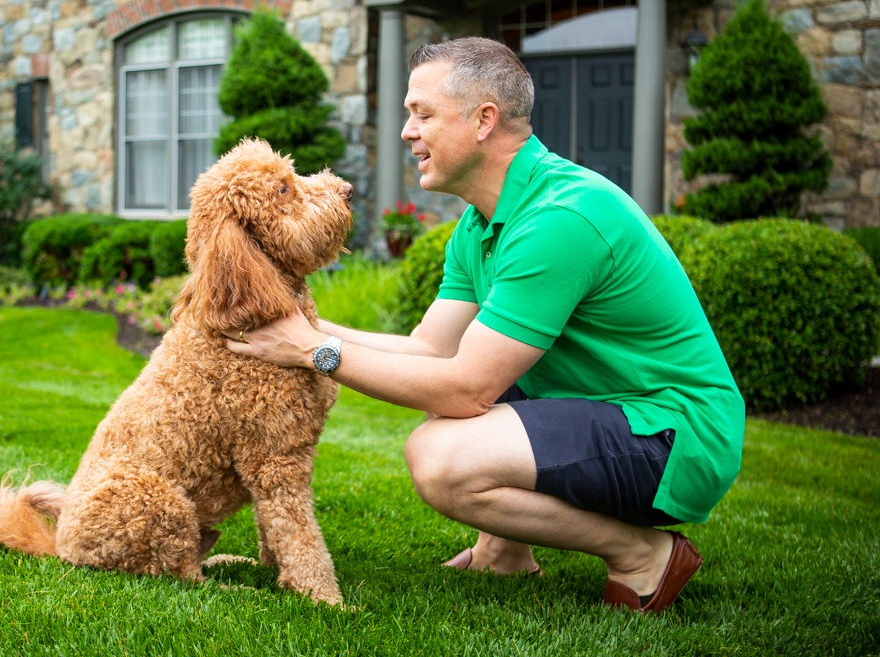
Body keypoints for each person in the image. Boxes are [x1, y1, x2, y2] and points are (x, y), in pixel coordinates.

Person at [224, 36, 744, 613]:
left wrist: (314, 351)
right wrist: (299, 324)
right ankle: (504, 554)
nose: (407, 132)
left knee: (441, 459)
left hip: (674, 436)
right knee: (446, 389)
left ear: (483, 120)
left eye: (422, 114)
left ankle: (642, 553)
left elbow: (465, 388)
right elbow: (430, 351)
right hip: (612, 409)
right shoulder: (480, 224)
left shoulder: (560, 220)